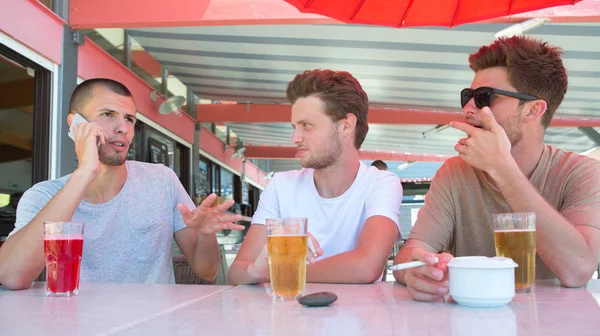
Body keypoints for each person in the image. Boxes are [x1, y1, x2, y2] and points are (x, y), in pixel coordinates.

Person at [394, 36, 600, 301]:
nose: (469, 108)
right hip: (471, 326)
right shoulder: (455, 172)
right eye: (468, 96)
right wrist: (418, 271)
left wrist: (503, 169)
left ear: (533, 110)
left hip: (556, 334)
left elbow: (578, 270)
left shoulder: (581, 173)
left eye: (484, 97)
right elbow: (412, 253)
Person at [0, 78, 242, 290]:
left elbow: (206, 271)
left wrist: (206, 235)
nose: (123, 128)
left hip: (154, 331)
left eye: (129, 119)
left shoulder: (161, 180)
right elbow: (13, 277)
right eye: (108, 115)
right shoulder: (43, 195)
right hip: (76, 331)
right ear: (75, 124)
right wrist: (86, 171)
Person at [227, 69, 402, 285]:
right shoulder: (281, 186)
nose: (295, 138)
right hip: (287, 316)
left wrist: (281, 271)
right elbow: (236, 273)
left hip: (359, 316)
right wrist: (255, 271)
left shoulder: (380, 183)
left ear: (346, 125)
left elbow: (367, 267)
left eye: (306, 126)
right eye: (294, 127)